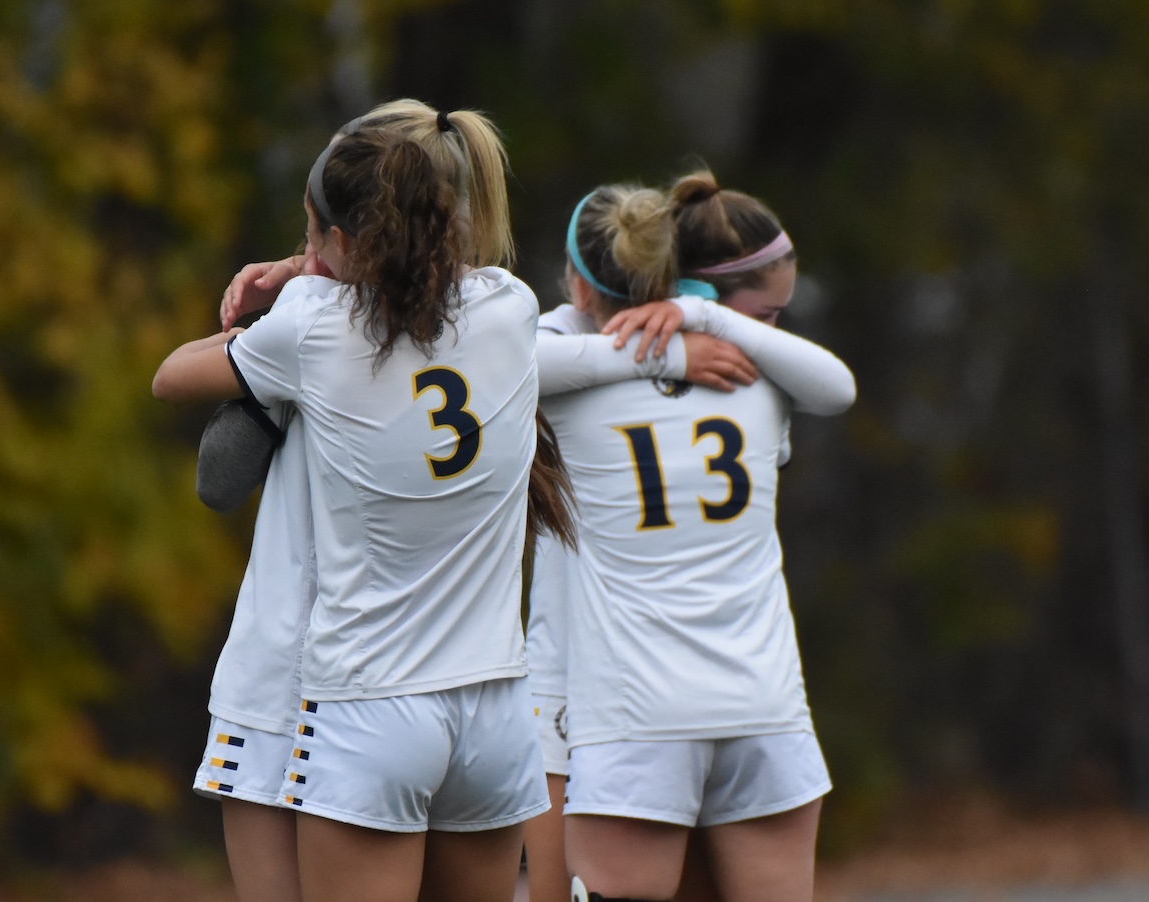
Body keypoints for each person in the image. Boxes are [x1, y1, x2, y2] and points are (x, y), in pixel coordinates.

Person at [155, 118, 555, 902]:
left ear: (339, 240)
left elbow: (173, 377)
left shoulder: (314, 325)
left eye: (312, 236)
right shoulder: (512, 306)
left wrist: (299, 283)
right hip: (498, 708)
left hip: (368, 708)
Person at [529, 182, 853, 902]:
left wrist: (656, 351)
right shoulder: (759, 378)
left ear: (580, 286)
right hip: (765, 709)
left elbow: (492, 369)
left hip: (636, 718)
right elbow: (837, 387)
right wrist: (692, 334)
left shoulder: (562, 392)